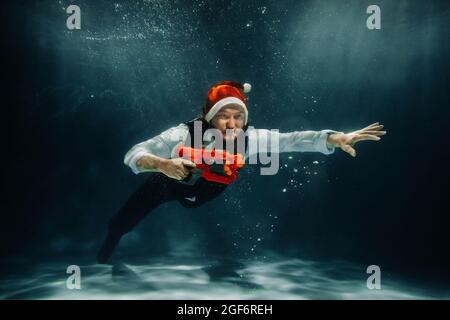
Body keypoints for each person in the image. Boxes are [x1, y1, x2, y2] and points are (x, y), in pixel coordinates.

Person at [97, 81, 386, 264]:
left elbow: (293, 139)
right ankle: (113, 237)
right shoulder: (184, 133)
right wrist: (163, 165)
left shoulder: (251, 138)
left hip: (205, 191)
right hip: (166, 182)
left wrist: (334, 139)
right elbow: (132, 154)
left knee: (201, 195)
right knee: (123, 219)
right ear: (210, 117)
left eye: (238, 116)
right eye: (223, 115)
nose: (232, 123)